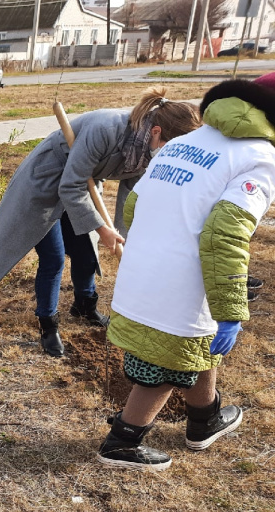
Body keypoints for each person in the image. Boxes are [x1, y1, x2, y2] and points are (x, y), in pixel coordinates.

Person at [96, 73, 275, 469]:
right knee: (165, 364)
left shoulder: (183, 142)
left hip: (141, 271)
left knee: (198, 346)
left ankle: (204, 419)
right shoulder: (259, 157)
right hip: (181, 284)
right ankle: (122, 441)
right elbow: (224, 236)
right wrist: (230, 309)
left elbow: (133, 206)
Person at [0, 87, 202, 358]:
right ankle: (48, 325)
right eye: (172, 145)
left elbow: (132, 194)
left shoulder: (144, 150)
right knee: (54, 258)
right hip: (46, 184)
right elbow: (70, 186)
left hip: (81, 190)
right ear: (156, 132)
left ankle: (84, 306)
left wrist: (124, 238)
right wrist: (101, 228)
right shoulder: (105, 128)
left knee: (87, 253)